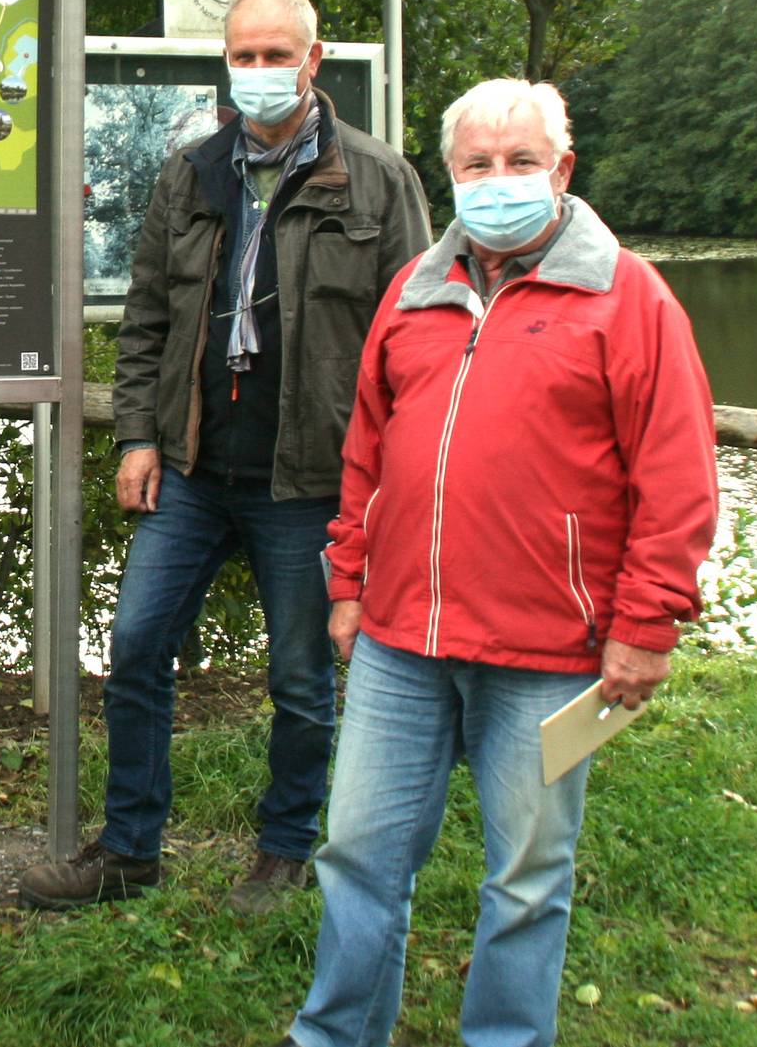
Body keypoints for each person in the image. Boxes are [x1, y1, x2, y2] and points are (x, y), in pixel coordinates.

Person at [279, 79, 719, 1047]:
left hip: (552, 649)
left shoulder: (627, 295)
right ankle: (334, 1034)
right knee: (355, 852)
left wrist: (646, 625)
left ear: (563, 169)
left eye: (521, 162)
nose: (498, 180)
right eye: (477, 164)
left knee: (525, 875)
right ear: (451, 173)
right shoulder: (413, 290)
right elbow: (367, 450)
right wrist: (346, 583)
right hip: (400, 640)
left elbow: (677, 474)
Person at [18, 0, 431, 912]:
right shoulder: (191, 173)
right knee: (134, 646)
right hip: (195, 469)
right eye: (242, 56)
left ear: (313, 61)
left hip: (312, 481)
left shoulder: (377, 178)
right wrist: (135, 435)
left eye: (275, 55)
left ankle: (284, 852)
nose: (258, 73)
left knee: (300, 675)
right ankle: (129, 849)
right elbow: (149, 316)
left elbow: (420, 337)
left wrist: (388, 482)